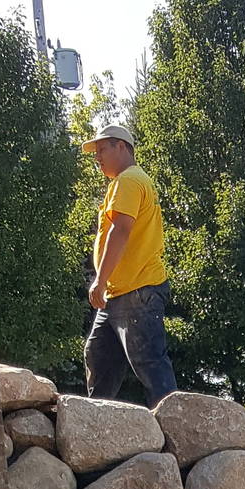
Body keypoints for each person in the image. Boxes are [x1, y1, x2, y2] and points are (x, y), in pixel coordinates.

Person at [81, 121, 179, 404]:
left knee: (151, 367)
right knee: (99, 359)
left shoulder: (129, 180)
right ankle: (94, 427)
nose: (97, 157)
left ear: (121, 147)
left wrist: (99, 280)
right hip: (118, 292)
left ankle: (179, 435)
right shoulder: (125, 182)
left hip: (137, 290)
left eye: (102, 149)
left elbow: (120, 230)